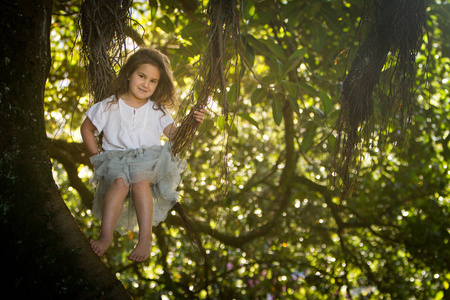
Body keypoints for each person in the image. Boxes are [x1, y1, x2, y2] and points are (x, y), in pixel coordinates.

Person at [80, 47, 206, 262]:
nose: (146, 84)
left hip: (148, 161)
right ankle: (105, 236)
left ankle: (145, 237)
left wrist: (192, 124)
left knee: (139, 181)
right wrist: (96, 157)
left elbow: (175, 136)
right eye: (141, 76)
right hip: (116, 160)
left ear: (158, 85)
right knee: (120, 183)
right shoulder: (109, 105)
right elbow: (87, 129)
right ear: (129, 74)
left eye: (153, 81)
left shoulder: (157, 109)